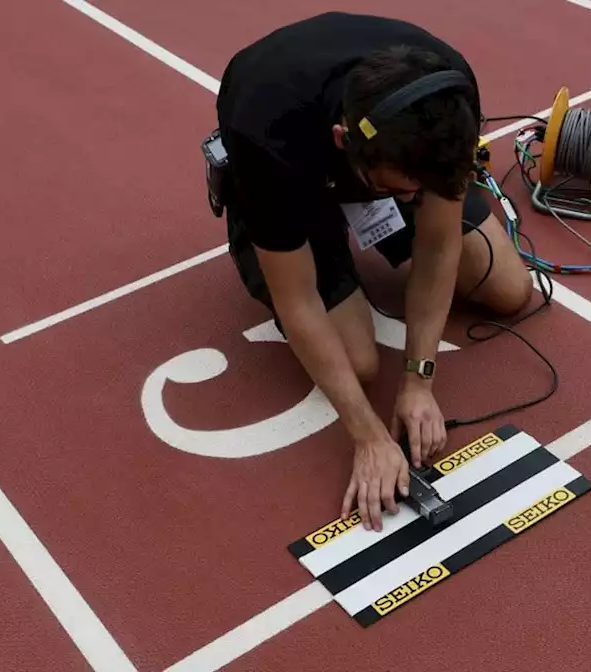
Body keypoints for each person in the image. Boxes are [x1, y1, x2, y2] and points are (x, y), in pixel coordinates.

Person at [214, 12, 534, 531]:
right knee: (356, 363)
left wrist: (419, 381)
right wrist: (367, 436)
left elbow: (437, 245)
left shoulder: (446, 95)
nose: (413, 201)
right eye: (401, 191)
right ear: (345, 143)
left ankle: (380, 203)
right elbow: (298, 303)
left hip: (385, 163)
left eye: (418, 192)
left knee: (508, 288)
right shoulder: (267, 130)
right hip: (292, 175)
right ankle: (292, 218)